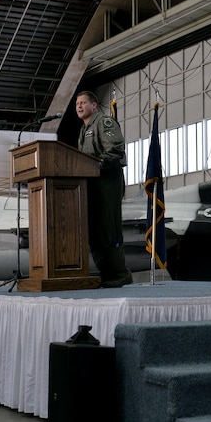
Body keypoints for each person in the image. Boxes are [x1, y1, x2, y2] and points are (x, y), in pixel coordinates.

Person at [75, 91, 133, 288]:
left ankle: (120, 273)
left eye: (83, 103)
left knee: (108, 228)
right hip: (90, 184)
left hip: (107, 182)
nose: (79, 106)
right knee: (95, 230)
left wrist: (96, 165)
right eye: (77, 104)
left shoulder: (104, 122)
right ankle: (107, 272)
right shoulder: (83, 130)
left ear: (94, 105)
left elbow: (116, 150)